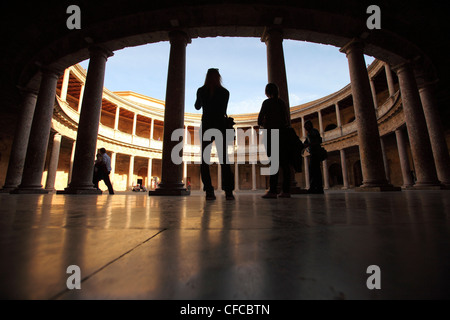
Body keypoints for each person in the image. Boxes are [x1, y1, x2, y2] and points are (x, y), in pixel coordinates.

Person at [195, 68, 235, 200]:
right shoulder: (225, 92)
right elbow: (223, 110)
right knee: (224, 159)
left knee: (205, 160)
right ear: (219, 77)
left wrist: (202, 98)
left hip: (206, 125)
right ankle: (228, 191)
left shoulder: (201, 90)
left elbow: (197, 107)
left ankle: (209, 191)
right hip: (220, 126)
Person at [258, 83, 291, 199]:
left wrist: (265, 123)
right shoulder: (282, 103)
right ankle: (286, 191)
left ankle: (273, 191)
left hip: (272, 134)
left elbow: (259, 120)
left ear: (267, 92)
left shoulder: (267, 103)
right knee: (285, 164)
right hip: (283, 134)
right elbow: (287, 120)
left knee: (274, 163)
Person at [304, 120, 324, 194]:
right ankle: (316, 187)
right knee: (313, 170)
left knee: (314, 171)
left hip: (316, 153)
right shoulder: (309, 133)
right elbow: (306, 142)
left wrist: (308, 145)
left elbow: (317, 141)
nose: (305, 127)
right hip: (313, 153)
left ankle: (315, 188)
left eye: (306, 126)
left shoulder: (313, 131)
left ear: (309, 125)